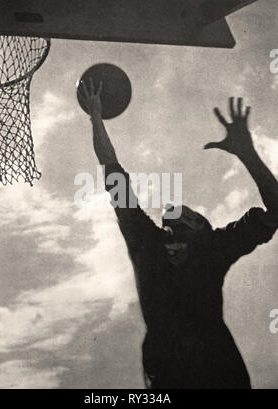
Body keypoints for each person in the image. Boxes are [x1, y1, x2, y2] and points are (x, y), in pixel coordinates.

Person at [79, 80, 278, 389]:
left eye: (188, 209)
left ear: (201, 224)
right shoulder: (147, 238)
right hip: (172, 371)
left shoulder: (214, 246)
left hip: (217, 371)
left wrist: (248, 153)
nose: (174, 206)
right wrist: (96, 119)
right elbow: (110, 166)